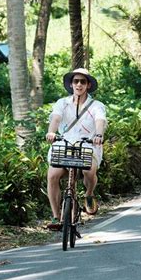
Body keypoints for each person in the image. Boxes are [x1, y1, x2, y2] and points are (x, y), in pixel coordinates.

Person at [46, 68, 107, 230]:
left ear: (88, 85)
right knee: (52, 175)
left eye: (83, 81)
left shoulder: (96, 105)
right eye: (76, 81)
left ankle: (88, 194)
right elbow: (56, 118)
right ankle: (56, 216)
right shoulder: (62, 103)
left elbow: (100, 121)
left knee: (89, 171)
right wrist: (51, 132)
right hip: (64, 144)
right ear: (71, 85)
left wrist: (99, 135)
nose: (79, 84)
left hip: (87, 145)